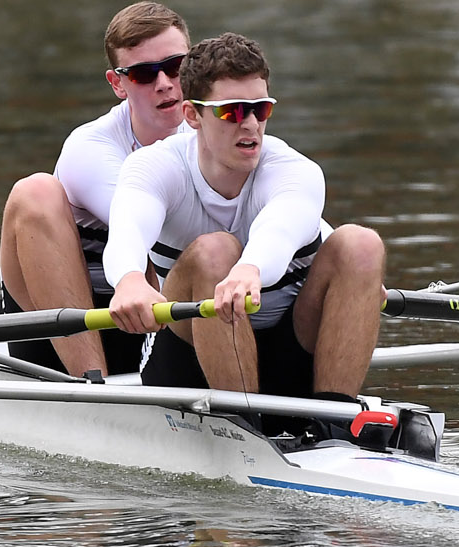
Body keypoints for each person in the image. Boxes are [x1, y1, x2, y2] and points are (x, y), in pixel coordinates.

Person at [103, 33, 386, 408]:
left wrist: (251, 269)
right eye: (232, 111)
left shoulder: (294, 170)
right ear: (193, 115)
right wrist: (129, 281)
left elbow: (281, 228)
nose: (251, 124)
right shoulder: (154, 167)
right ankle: (244, 426)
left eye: (260, 109)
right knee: (215, 251)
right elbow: (127, 232)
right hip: (188, 364)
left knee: (361, 245)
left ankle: (335, 418)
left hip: (289, 353)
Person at [0, 0, 194, 377]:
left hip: (160, 324)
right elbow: (149, 229)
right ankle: (92, 386)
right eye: (143, 75)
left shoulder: (221, 134)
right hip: (65, 333)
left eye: (175, 67)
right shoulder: (90, 148)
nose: (165, 84)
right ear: (118, 83)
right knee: (35, 190)